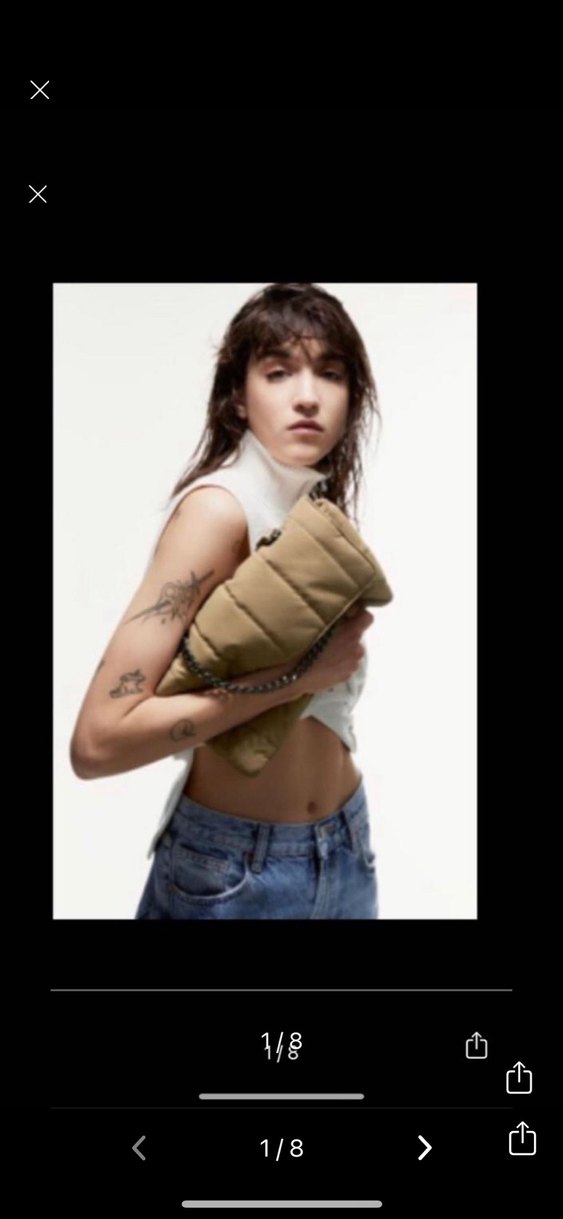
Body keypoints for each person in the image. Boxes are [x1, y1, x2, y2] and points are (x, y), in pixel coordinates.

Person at [70, 282, 381, 919]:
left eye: (330, 373)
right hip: (236, 874)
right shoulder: (219, 511)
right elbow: (98, 743)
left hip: (345, 850)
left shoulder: (315, 511)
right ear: (238, 397)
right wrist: (298, 678)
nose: (307, 396)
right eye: (278, 372)